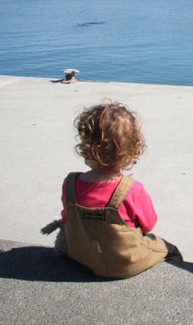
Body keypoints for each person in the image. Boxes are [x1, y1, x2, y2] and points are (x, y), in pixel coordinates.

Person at [43, 101, 181, 278]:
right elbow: (148, 224)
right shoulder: (132, 190)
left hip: (83, 254)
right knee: (170, 250)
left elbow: (68, 218)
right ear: (131, 148)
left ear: (85, 146)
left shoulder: (70, 183)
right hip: (124, 263)